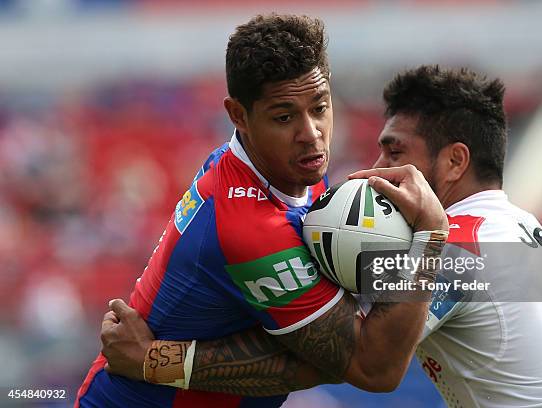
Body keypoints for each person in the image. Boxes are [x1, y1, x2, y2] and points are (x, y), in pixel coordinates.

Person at [102, 65, 542, 407]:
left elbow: (352, 359)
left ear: (454, 161)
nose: (376, 170)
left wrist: (157, 361)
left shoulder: (459, 246)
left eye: (394, 151)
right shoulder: (516, 226)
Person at [75, 16, 449, 408]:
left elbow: (331, 347)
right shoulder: (252, 226)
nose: (311, 133)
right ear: (238, 116)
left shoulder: (291, 170)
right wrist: (431, 234)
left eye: (319, 107)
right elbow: (375, 367)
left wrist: (163, 363)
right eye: (284, 117)